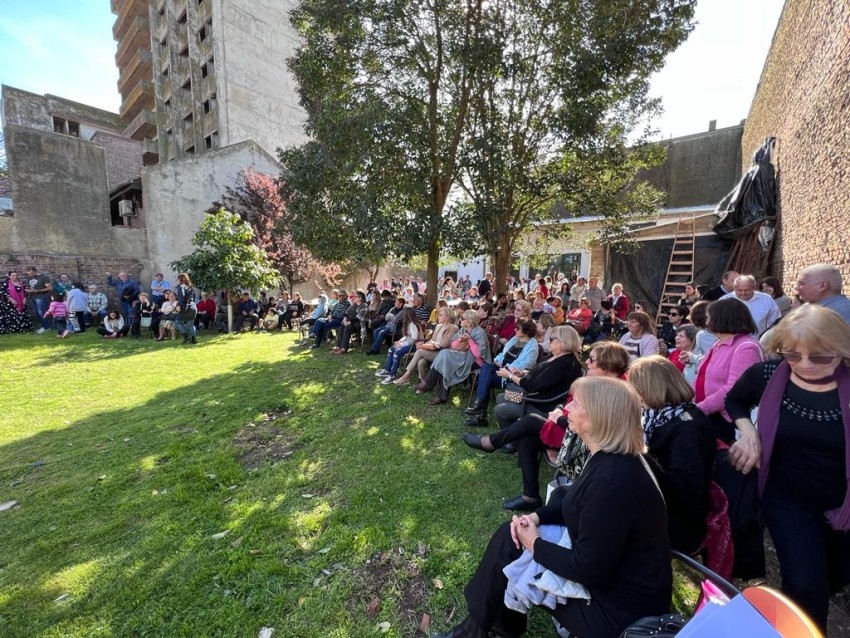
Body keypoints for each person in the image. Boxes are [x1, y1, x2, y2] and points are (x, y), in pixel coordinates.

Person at [431, 377, 672, 638]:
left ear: (599, 417)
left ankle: (478, 631)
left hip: (614, 610)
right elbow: (573, 501)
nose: (567, 409)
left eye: (576, 404)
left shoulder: (614, 481)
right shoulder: (609, 457)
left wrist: (535, 544)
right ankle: (494, 627)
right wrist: (534, 516)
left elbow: (587, 569)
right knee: (509, 536)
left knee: (515, 549)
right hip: (609, 582)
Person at [724, 304, 850, 633]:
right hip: (786, 497)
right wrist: (749, 432)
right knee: (805, 583)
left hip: (843, 502)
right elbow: (735, 400)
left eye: (821, 357)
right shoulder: (767, 376)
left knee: (831, 578)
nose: (805, 365)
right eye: (792, 355)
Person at [628, 356, 715, 554]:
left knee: (595, 509)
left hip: (675, 520)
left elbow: (685, 488)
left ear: (650, 388)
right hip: (653, 504)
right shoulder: (660, 416)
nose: (633, 394)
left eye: (635, 388)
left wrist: (637, 451)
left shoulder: (687, 426)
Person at [490, 325, 584, 434]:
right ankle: (518, 432)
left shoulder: (563, 364)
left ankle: (512, 442)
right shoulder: (556, 357)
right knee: (501, 397)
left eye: (551, 339)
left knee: (500, 409)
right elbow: (539, 375)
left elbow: (532, 386)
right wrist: (521, 373)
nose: (548, 342)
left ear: (563, 342)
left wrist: (510, 376)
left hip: (542, 405)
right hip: (536, 398)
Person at [693, 298, 762, 443]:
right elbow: (703, 376)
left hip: (727, 420)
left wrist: (700, 409)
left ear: (722, 318)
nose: (707, 321)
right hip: (708, 415)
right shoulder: (719, 343)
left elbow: (733, 389)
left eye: (709, 316)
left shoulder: (746, 347)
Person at [465, 317, 540, 426]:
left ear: (527, 330)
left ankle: (480, 412)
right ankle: (480, 408)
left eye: (518, 328)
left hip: (512, 377)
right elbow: (502, 355)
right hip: (501, 371)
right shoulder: (514, 339)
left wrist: (506, 367)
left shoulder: (533, 345)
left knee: (486, 376)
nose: (515, 330)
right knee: (487, 368)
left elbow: (525, 365)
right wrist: (497, 361)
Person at [415, 310, 492, 405]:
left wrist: (469, 341)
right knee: (445, 357)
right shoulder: (463, 330)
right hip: (462, 356)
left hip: (476, 362)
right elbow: (453, 345)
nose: (460, 320)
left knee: (445, 357)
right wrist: (460, 339)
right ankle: (439, 394)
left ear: (470, 321)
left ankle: (431, 385)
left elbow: (478, 354)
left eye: (463, 319)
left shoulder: (479, 332)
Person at [394, 306, 459, 385]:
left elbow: (444, 344)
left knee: (419, 352)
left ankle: (406, 375)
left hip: (442, 353)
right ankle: (422, 382)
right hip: (433, 351)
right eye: (438, 314)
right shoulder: (438, 326)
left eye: (441, 315)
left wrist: (426, 346)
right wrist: (425, 344)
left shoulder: (453, 328)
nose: (438, 316)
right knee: (420, 361)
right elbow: (432, 340)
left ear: (448, 317)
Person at [376, 308, 422, 383]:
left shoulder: (413, 324)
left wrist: (401, 344)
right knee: (391, 349)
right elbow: (407, 336)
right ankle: (387, 370)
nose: (402, 316)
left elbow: (413, 339)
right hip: (409, 343)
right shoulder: (409, 323)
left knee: (397, 353)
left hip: (416, 345)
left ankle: (392, 375)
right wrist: (399, 342)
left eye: (404, 314)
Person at [24, 266, 52, 334]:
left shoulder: (44, 277)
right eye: (29, 274)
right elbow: (32, 287)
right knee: (36, 313)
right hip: (32, 297)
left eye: (31, 273)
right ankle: (43, 326)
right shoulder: (30, 278)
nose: (30, 275)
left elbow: (50, 288)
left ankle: (46, 327)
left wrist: (37, 291)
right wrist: (29, 290)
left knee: (41, 313)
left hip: (41, 297)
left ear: (35, 271)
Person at [174, 273, 197, 344]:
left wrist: (178, 305)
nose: (177, 280)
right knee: (190, 324)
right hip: (193, 306)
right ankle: (193, 339)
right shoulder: (191, 287)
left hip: (185, 307)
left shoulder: (181, 286)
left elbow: (181, 297)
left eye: (178, 279)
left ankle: (186, 336)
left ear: (180, 279)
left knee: (178, 322)